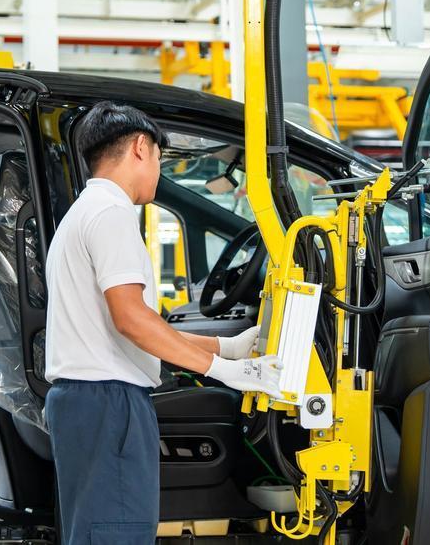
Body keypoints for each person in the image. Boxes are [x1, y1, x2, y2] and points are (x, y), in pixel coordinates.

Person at [44, 101, 283, 545]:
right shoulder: (112, 214)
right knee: (116, 534)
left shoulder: (84, 211)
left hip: (87, 403)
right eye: (159, 157)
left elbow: (130, 323)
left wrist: (225, 348)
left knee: (96, 531)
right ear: (141, 147)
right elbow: (131, 319)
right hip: (109, 403)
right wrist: (225, 372)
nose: (158, 170)